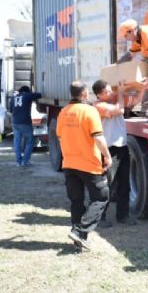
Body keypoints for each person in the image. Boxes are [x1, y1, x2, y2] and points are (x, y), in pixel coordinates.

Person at [56, 81, 112, 251]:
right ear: (85, 94)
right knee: (100, 197)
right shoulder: (90, 111)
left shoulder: (63, 112)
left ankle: (78, 239)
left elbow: (60, 137)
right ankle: (80, 231)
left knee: (76, 201)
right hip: (89, 164)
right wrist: (107, 156)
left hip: (69, 163)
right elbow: (99, 138)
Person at [92, 80, 138, 227]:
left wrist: (142, 88)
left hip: (122, 147)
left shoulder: (114, 101)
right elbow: (120, 110)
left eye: (109, 91)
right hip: (109, 150)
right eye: (107, 91)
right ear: (99, 94)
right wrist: (120, 92)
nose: (110, 93)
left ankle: (123, 216)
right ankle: (101, 217)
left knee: (124, 184)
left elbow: (136, 100)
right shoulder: (98, 105)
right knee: (107, 185)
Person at [9, 86, 42, 167]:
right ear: (27, 91)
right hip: (25, 122)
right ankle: (25, 161)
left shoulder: (13, 98)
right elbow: (39, 95)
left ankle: (18, 162)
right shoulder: (27, 95)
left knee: (17, 142)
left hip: (15, 122)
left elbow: (10, 110)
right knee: (30, 141)